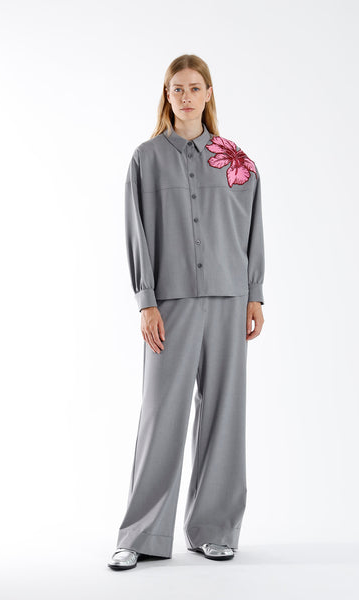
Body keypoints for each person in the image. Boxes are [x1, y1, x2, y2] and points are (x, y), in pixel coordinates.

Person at [108, 54, 265, 571]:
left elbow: (252, 228)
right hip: (170, 303)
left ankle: (214, 530)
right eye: (178, 88)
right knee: (161, 415)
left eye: (195, 87)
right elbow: (137, 231)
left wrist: (255, 293)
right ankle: (141, 534)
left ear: (209, 93)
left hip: (228, 299)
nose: (187, 96)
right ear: (167, 95)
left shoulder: (237, 161)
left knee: (225, 414)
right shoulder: (146, 158)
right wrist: (146, 300)